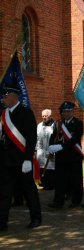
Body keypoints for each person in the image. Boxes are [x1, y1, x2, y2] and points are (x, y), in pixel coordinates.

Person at [0, 82, 42, 231]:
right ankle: (2, 221)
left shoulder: (26, 113)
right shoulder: (3, 114)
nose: (3, 98)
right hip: (6, 161)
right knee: (4, 193)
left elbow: (31, 138)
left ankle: (36, 218)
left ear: (14, 96)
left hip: (21, 160)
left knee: (28, 190)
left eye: (5, 96)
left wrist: (27, 158)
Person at [48, 101, 84, 209]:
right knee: (60, 181)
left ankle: (76, 201)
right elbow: (53, 136)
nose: (66, 113)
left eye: (68, 111)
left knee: (76, 180)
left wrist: (61, 147)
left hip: (74, 156)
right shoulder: (58, 123)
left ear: (72, 112)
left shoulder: (78, 123)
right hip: (61, 158)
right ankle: (58, 202)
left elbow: (75, 139)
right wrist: (51, 148)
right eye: (64, 111)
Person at [36, 109, 55, 190]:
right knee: (41, 167)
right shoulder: (39, 125)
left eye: (46, 116)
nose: (44, 117)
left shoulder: (54, 125)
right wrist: (36, 149)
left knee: (50, 168)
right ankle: (43, 183)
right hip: (41, 150)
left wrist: (53, 151)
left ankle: (51, 184)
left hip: (51, 150)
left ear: (50, 116)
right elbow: (37, 138)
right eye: (43, 116)